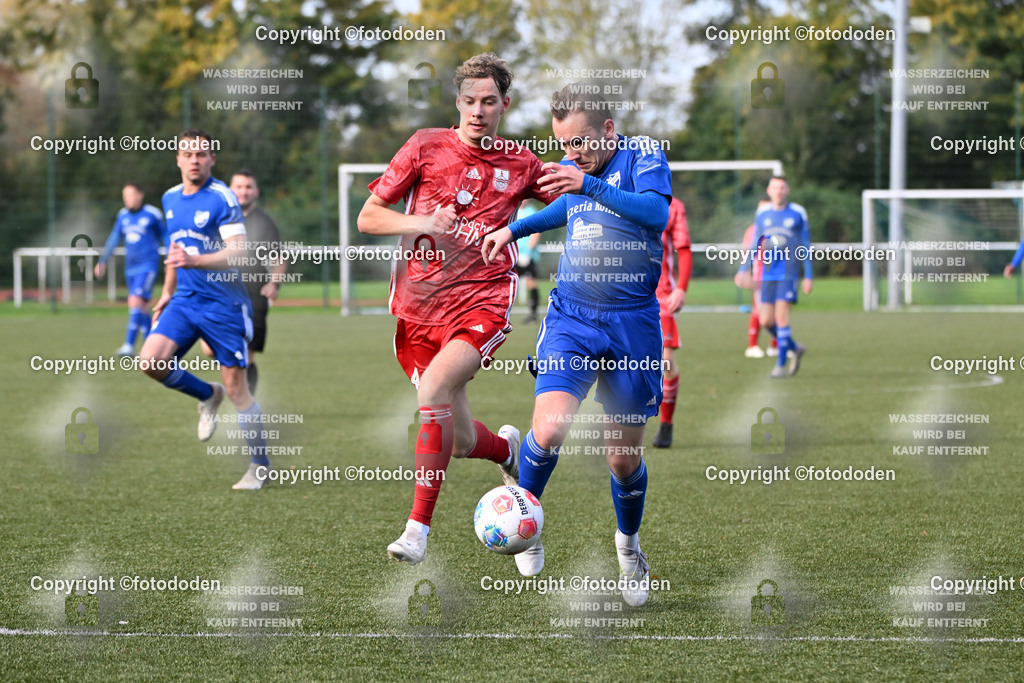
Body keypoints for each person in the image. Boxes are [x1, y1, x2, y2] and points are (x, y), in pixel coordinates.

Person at [356, 53, 554, 566]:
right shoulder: (425, 146)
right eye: (469, 101)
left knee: (435, 391)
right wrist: (421, 221)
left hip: (483, 300)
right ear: (458, 103)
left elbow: (565, 199)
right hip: (418, 310)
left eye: (489, 102)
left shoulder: (521, 163)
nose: (478, 111)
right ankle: (510, 453)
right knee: (461, 439)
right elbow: (369, 217)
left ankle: (417, 530)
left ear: (504, 105)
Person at [482, 84, 672, 607]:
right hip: (572, 317)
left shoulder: (645, 155)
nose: (571, 154)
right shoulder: (578, 172)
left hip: (632, 324)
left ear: (609, 130)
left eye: (581, 143)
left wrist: (589, 184)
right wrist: (514, 230)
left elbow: (655, 215)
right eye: (563, 145)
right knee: (549, 427)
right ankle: (528, 518)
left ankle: (628, 546)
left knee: (621, 460)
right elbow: (565, 208)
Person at [139, 129, 270, 490]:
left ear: (212, 159)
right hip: (184, 300)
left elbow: (238, 251)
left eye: (201, 154)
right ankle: (205, 395)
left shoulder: (222, 198)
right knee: (150, 362)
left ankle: (259, 466)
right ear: (178, 159)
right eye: (188, 154)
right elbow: (174, 250)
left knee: (238, 389)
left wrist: (195, 261)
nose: (194, 160)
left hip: (224, 305)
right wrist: (166, 292)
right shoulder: (169, 198)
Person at [735, 177, 811, 378]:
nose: (778, 191)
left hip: (789, 272)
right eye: (775, 187)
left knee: (781, 316)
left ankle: (780, 366)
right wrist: (743, 269)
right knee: (766, 321)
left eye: (782, 187)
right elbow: (754, 244)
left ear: (788, 190)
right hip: (769, 272)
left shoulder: (797, 212)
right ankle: (795, 348)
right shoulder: (762, 214)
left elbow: (806, 245)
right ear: (769, 190)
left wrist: (808, 275)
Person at [224, 170, 285, 395]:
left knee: (248, 353)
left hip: (253, 296)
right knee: (211, 348)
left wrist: (274, 284)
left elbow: (279, 258)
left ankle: (247, 405)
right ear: (231, 190)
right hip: (222, 293)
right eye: (239, 186)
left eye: (248, 187)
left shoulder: (264, 222)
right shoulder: (221, 218)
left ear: (256, 192)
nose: (244, 191)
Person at [94, 183, 167, 357]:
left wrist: (170, 257)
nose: (127, 199)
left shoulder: (152, 214)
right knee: (141, 308)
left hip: (147, 266)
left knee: (135, 301)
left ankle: (129, 346)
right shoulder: (123, 215)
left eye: (131, 195)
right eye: (125, 196)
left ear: (140, 195)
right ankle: (153, 345)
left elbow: (166, 235)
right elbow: (114, 237)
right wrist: (102, 260)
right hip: (131, 268)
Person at [651, 197, 691, 449]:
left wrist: (682, 289)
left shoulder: (673, 206)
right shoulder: (618, 194)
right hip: (623, 292)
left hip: (662, 294)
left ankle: (666, 423)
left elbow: (684, 247)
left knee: (665, 361)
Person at [742, 198, 776, 358]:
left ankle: (775, 346)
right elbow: (746, 253)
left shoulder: (777, 228)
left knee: (777, 309)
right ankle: (752, 345)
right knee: (759, 309)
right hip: (760, 276)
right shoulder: (753, 230)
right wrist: (746, 273)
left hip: (777, 275)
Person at [515, 201, 543, 323]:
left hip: (528, 256)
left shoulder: (532, 211)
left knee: (531, 282)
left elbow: (537, 232)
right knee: (511, 283)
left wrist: (527, 252)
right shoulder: (514, 210)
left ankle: (533, 314)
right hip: (514, 254)